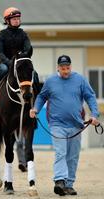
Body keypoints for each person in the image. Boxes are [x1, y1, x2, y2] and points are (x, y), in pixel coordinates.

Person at [30, 55, 99, 196]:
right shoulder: (50, 81)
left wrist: (94, 115)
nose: (66, 71)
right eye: (63, 68)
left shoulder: (80, 80)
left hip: (76, 124)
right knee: (61, 152)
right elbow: (42, 96)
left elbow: (90, 97)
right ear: (58, 68)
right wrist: (35, 109)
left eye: (68, 67)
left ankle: (69, 184)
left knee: (73, 156)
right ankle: (59, 180)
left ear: (71, 67)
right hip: (57, 124)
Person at [0, 7, 40, 109]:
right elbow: (0, 53)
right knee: (2, 69)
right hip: (6, 63)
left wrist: (21, 60)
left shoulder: (24, 34)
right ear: (7, 21)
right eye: (14, 19)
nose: (17, 21)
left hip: (20, 63)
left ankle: (38, 95)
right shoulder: (1, 35)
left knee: (34, 73)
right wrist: (10, 63)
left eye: (18, 19)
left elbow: (27, 48)